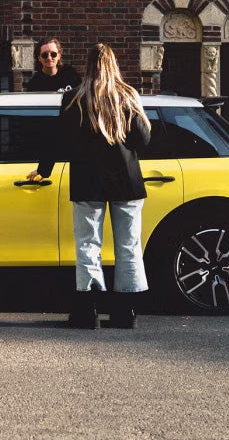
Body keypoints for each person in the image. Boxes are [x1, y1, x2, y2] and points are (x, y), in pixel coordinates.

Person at [28, 43, 151, 329]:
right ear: (114, 64)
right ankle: (125, 313)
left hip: (88, 180)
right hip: (126, 181)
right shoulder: (127, 96)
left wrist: (43, 169)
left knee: (87, 245)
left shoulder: (74, 99)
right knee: (128, 245)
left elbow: (58, 139)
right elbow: (142, 141)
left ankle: (88, 310)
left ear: (88, 65)